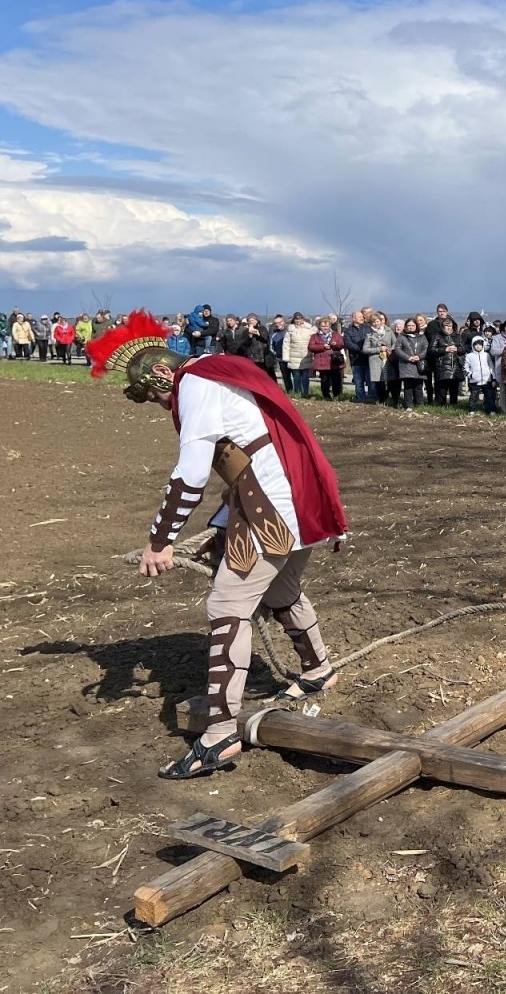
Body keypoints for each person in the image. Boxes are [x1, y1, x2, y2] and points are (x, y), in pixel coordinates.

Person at [86, 310, 347, 780]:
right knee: (281, 591)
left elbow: (192, 472)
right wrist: (222, 525)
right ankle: (317, 671)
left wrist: (160, 541)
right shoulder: (211, 374)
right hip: (287, 498)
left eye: (156, 394)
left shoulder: (195, 384)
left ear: (164, 372)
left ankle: (219, 734)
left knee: (227, 605)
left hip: (272, 509)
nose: (162, 404)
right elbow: (243, 466)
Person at [307, 316, 346, 400]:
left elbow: (342, 344)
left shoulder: (335, 334)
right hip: (322, 361)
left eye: (327, 326)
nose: (325, 328)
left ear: (330, 326)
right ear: (319, 326)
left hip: (334, 361)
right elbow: (311, 347)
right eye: (323, 326)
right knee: (325, 380)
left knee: (336, 380)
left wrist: (336, 344)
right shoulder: (315, 336)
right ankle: (326, 396)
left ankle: (337, 395)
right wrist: (322, 346)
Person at [394, 317, 429, 409]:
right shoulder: (402, 337)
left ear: (416, 326)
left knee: (418, 386)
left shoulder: (422, 337)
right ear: (405, 327)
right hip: (406, 365)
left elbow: (426, 348)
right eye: (408, 325)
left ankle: (420, 405)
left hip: (419, 365)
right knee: (408, 387)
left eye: (413, 325)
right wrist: (408, 357)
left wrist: (419, 356)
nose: (410, 327)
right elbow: (397, 349)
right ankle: (408, 405)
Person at [364, 312, 396, 407]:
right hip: (376, 361)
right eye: (373, 322)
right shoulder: (369, 335)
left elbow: (396, 343)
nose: (376, 324)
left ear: (381, 321)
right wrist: (379, 349)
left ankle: (392, 399)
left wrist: (389, 350)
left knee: (390, 380)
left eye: (377, 321)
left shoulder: (389, 331)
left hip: (389, 359)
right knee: (379, 382)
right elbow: (365, 349)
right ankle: (382, 400)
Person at [430, 318, 462, 406]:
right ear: (442, 327)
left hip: (455, 366)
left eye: (450, 326)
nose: (448, 328)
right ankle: (440, 406)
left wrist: (457, 349)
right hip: (442, 366)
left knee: (454, 389)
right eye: (446, 326)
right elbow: (431, 350)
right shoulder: (437, 336)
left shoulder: (458, 336)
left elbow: (463, 349)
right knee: (442, 389)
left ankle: (453, 406)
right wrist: (445, 349)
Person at [281, 312, 314, 397]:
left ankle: (306, 393)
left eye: (300, 318)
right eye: (296, 319)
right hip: (293, 357)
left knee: (305, 377)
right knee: (296, 376)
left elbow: (314, 341)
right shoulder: (290, 330)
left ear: (303, 319)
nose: (298, 320)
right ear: (294, 320)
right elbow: (286, 344)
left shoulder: (309, 329)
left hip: (306, 356)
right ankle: (297, 392)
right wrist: (286, 357)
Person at [344, 310, 371, 404]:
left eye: (362, 316)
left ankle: (371, 399)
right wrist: (362, 349)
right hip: (356, 360)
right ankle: (361, 399)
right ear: (353, 318)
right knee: (359, 383)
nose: (362, 318)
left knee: (370, 382)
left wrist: (367, 349)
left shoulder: (368, 328)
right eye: (359, 316)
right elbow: (349, 344)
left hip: (368, 360)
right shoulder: (348, 331)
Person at [465, 335, 496, 413]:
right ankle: (471, 410)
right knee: (473, 397)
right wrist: (471, 375)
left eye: (480, 344)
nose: (478, 346)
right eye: (476, 344)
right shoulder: (469, 356)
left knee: (489, 396)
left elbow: (491, 367)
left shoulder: (487, 355)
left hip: (487, 380)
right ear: (473, 345)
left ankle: (490, 410)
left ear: (483, 345)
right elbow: (465, 368)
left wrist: (493, 378)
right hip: (475, 380)